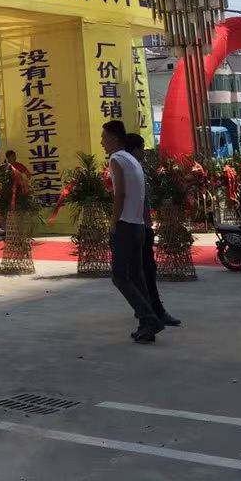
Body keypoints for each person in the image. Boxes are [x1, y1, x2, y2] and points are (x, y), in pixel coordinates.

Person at [103, 119, 162, 344]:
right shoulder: (133, 161)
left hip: (126, 225)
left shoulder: (116, 159)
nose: (102, 142)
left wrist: (113, 222)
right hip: (137, 225)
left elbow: (120, 194)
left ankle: (149, 319)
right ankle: (147, 323)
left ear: (113, 138)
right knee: (136, 276)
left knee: (120, 276)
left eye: (104, 138)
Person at [125, 132, 180, 330]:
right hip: (139, 227)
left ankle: (144, 308)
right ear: (135, 149)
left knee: (139, 271)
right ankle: (154, 311)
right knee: (145, 271)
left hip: (136, 226)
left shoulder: (131, 168)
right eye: (142, 149)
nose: (144, 153)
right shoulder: (132, 169)